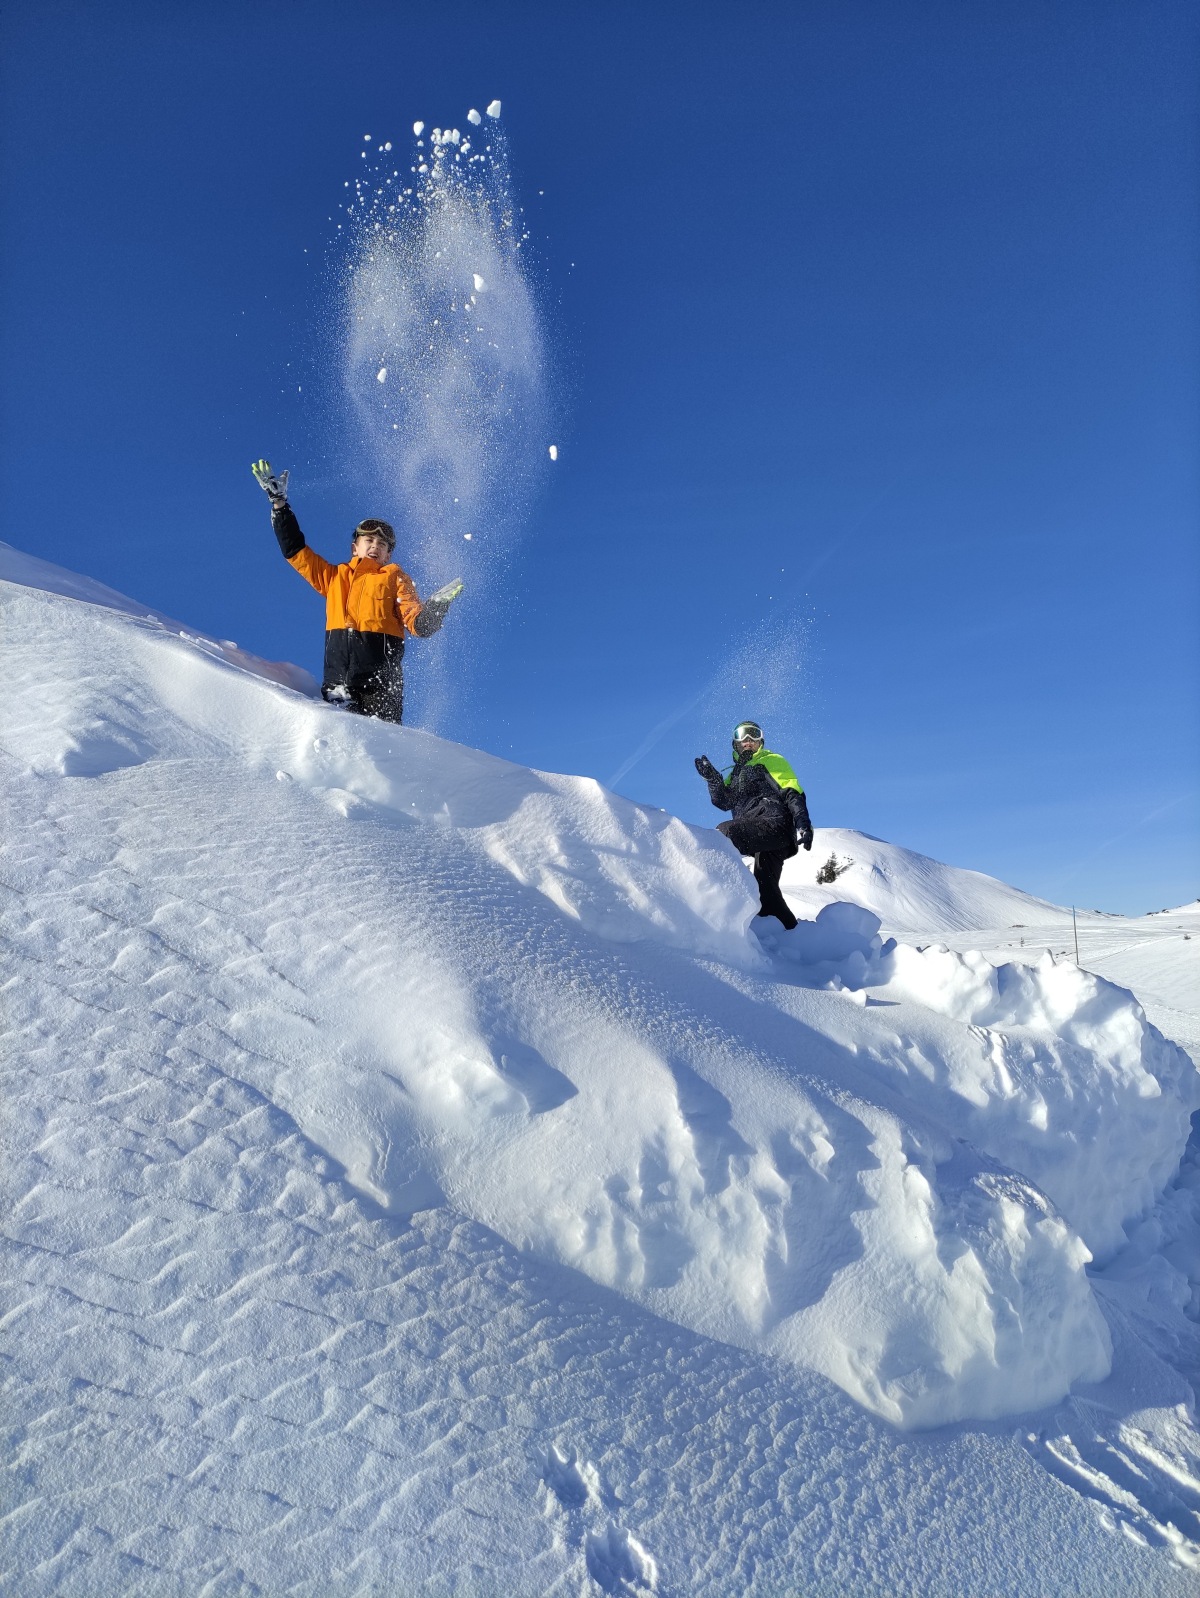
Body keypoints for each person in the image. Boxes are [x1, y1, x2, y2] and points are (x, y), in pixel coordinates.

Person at [251, 460, 462, 724]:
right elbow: (295, 552)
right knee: (336, 753)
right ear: (355, 548)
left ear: (388, 554)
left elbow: (417, 623)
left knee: (382, 756)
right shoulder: (335, 577)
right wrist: (280, 506)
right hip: (339, 684)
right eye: (369, 540)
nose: (375, 546)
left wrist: (435, 609)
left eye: (382, 544)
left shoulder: (395, 576)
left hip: (381, 688)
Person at [695, 721, 813, 930]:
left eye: (753, 735)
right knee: (765, 895)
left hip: (774, 824)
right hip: (761, 835)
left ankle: (706, 897)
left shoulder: (770, 760)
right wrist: (714, 780)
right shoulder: (736, 773)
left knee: (724, 834)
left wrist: (803, 823)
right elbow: (724, 802)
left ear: (761, 741)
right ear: (735, 743)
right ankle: (794, 938)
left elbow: (791, 791)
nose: (748, 740)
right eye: (743, 736)